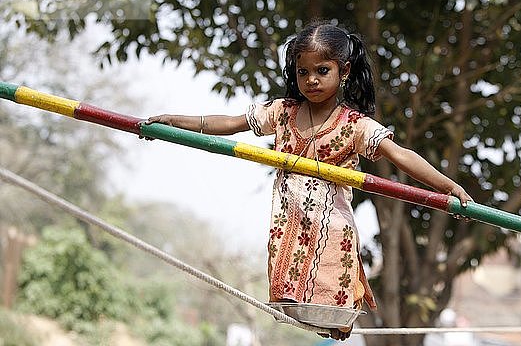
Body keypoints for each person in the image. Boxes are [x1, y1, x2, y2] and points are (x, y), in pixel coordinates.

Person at [146, 22, 472, 341]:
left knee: (334, 300)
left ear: (343, 71)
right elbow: (230, 123)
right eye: (303, 72)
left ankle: (340, 324)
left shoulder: (355, 125)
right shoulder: (282, 112)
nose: (311, 80)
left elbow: (401, 155)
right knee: (291, 301)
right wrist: (174, 121)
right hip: (288, 225)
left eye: (322, 71)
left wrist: (448, 187)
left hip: (331, 229)